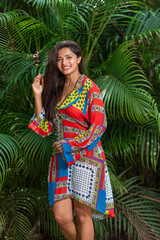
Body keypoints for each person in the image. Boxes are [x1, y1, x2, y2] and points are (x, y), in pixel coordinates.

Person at [28, 40, 115, 240]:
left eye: (68, 57)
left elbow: (99, 126)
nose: (64, 62)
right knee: (61, 216)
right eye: (59, 59)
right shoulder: (57, 88)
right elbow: (45, 128)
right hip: (60, 159)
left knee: (83, 215)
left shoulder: (89, 87)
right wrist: (38, 95)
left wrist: (72, 145)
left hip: (86, 157)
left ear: (78, 59)